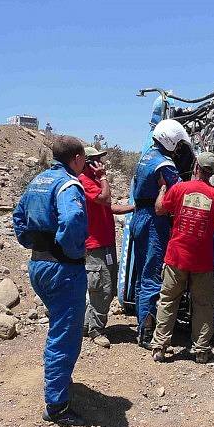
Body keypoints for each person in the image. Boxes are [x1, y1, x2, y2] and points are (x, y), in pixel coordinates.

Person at [13, 135, 88, 425]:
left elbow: (18, 216)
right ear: (77, 158)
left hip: (38, 264)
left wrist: (34, 242)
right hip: (63, 269)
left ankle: (58, 382)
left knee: (59, 326)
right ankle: (56, 406)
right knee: (64, 335)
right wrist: (69, 250)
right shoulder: (69, 184)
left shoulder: (38, 181)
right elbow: (72, 220)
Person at [151, 152, 214, 363]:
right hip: (203, 262)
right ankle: (201, 351)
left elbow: (160, 210)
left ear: (196, 166)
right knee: (203, 305)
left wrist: (162, 190)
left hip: (176, 257)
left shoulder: (179, 189)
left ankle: (160, 347)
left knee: (168, 300)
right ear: (212, 172)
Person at [130, 119, 191, 347]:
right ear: (172, 140)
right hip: (155, 221)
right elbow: (178, 195)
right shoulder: (165, 165)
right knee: (153, 275)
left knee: (141, 274)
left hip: (139, 217)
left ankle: (141, 324)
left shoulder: (145, 157)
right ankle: (147, 331)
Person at [79, 146, 134, 348]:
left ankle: (87, 325)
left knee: (107, 287)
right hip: (96, 246)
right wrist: (103, 177)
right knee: (101, 288)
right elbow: (105, 199)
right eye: (97, 161)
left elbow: (109, 207)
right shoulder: (85, 181)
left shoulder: (92, 182)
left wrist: (135, 207)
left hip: (106, 244)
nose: (101, 164)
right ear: (88, 163)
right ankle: (96, 330)